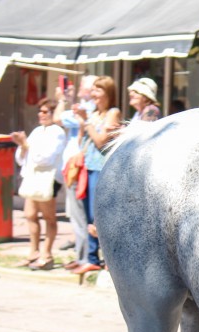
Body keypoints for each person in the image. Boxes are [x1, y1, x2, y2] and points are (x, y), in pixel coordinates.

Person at [72, 76, 121, 275]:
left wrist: (87, 123)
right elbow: (81, 141)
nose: (94, 94)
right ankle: (92, 257)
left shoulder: (113, 113)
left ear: (108, 93)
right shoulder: (94, 113)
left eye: (98, 90)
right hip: (88, 167)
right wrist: (83, 123)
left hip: (102, 168)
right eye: (93, 90)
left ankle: (107, 257)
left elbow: (101, 142)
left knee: (99, 215)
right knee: (87, 214)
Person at [11, 98, 66, 270]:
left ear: (53, 113)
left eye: (45, 111)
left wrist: (26, 145)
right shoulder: (37, 131)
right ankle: (33, 252)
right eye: (40, 111)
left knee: (49, 217)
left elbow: (46, 159)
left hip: (47, 179)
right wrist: (22, 145)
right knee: (30, 215)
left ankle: (47, 254)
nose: (41, 114)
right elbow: (22, 158)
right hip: (33, 178)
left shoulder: (57, 132)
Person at [53, 75, 96, 269]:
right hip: (74, 167)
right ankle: (82, 256)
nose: (78, 88)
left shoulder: (88, 109)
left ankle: (86, 258)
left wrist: (62, 99)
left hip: (81, 167)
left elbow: (57, 118)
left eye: (82, 85)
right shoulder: (83, 107)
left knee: (82, 216)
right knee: (77, 215)